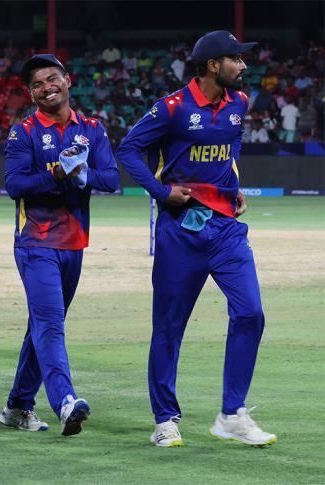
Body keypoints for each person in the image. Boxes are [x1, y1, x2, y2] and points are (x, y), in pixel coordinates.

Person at [117, 31, 277, 448]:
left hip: (226, 230)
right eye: (236, 59)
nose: (243, 66)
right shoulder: (171, 108)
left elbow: (232, 148)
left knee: (251, 313)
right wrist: (160, 191)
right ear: (213, 65)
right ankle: (165, 419)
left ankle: (231, 415)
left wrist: (233, 186)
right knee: (169, 328)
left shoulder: (239, 103)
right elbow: (128, 149)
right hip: (180, 231)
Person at [0, 54, 119, 437]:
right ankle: (65, 401)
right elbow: (15, 185)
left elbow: (112, 179)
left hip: (73, 243)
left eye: (52, 78)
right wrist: (57, 173)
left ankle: (17, 406)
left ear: (67, 81)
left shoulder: (92, 129)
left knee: (43, 325)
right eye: (37, 84)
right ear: (31, 94)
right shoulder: (24, 131)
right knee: (50, 324)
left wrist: (83, 175)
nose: (46, 87)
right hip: (35, 242)